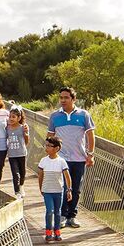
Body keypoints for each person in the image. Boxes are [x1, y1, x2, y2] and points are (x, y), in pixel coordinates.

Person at [47, 86, 95, 228]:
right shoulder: (54, 116)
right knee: (62, 187)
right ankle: (62, 215)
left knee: (75, 189)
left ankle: (72, 216)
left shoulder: (84, 115)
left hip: (79, 159)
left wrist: (90, 154)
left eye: (66, 97)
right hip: (61, 159)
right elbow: (50, 136)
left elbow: (90, 135)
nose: (63, 100)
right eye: (61, 97)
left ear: (73, 99)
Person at [37, 136, 72, 243]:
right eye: (45, 145)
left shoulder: (61, 161)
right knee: (49, 211)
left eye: (49, 146)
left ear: (56, 148)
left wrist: (69, 190)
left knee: (57, 212)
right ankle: (48, 232)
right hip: (47, 191)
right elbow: (40, 176)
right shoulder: (43, 161)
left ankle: (57, 231)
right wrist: (41, 188)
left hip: (58, 191)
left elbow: (67, 176)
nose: (46, 148)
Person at [5, 105, 30, 196]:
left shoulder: (23, 127)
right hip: (12, 155)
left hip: (22, 154)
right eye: (10, 116)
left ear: (19, 118)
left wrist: (26, 134)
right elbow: (4, 139)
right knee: (15, 174)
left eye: (13, 117)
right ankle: (17, 192)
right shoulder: (7, 128)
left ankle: (21, 186)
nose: (11, 119)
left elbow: (27, 142)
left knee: (22, 172)